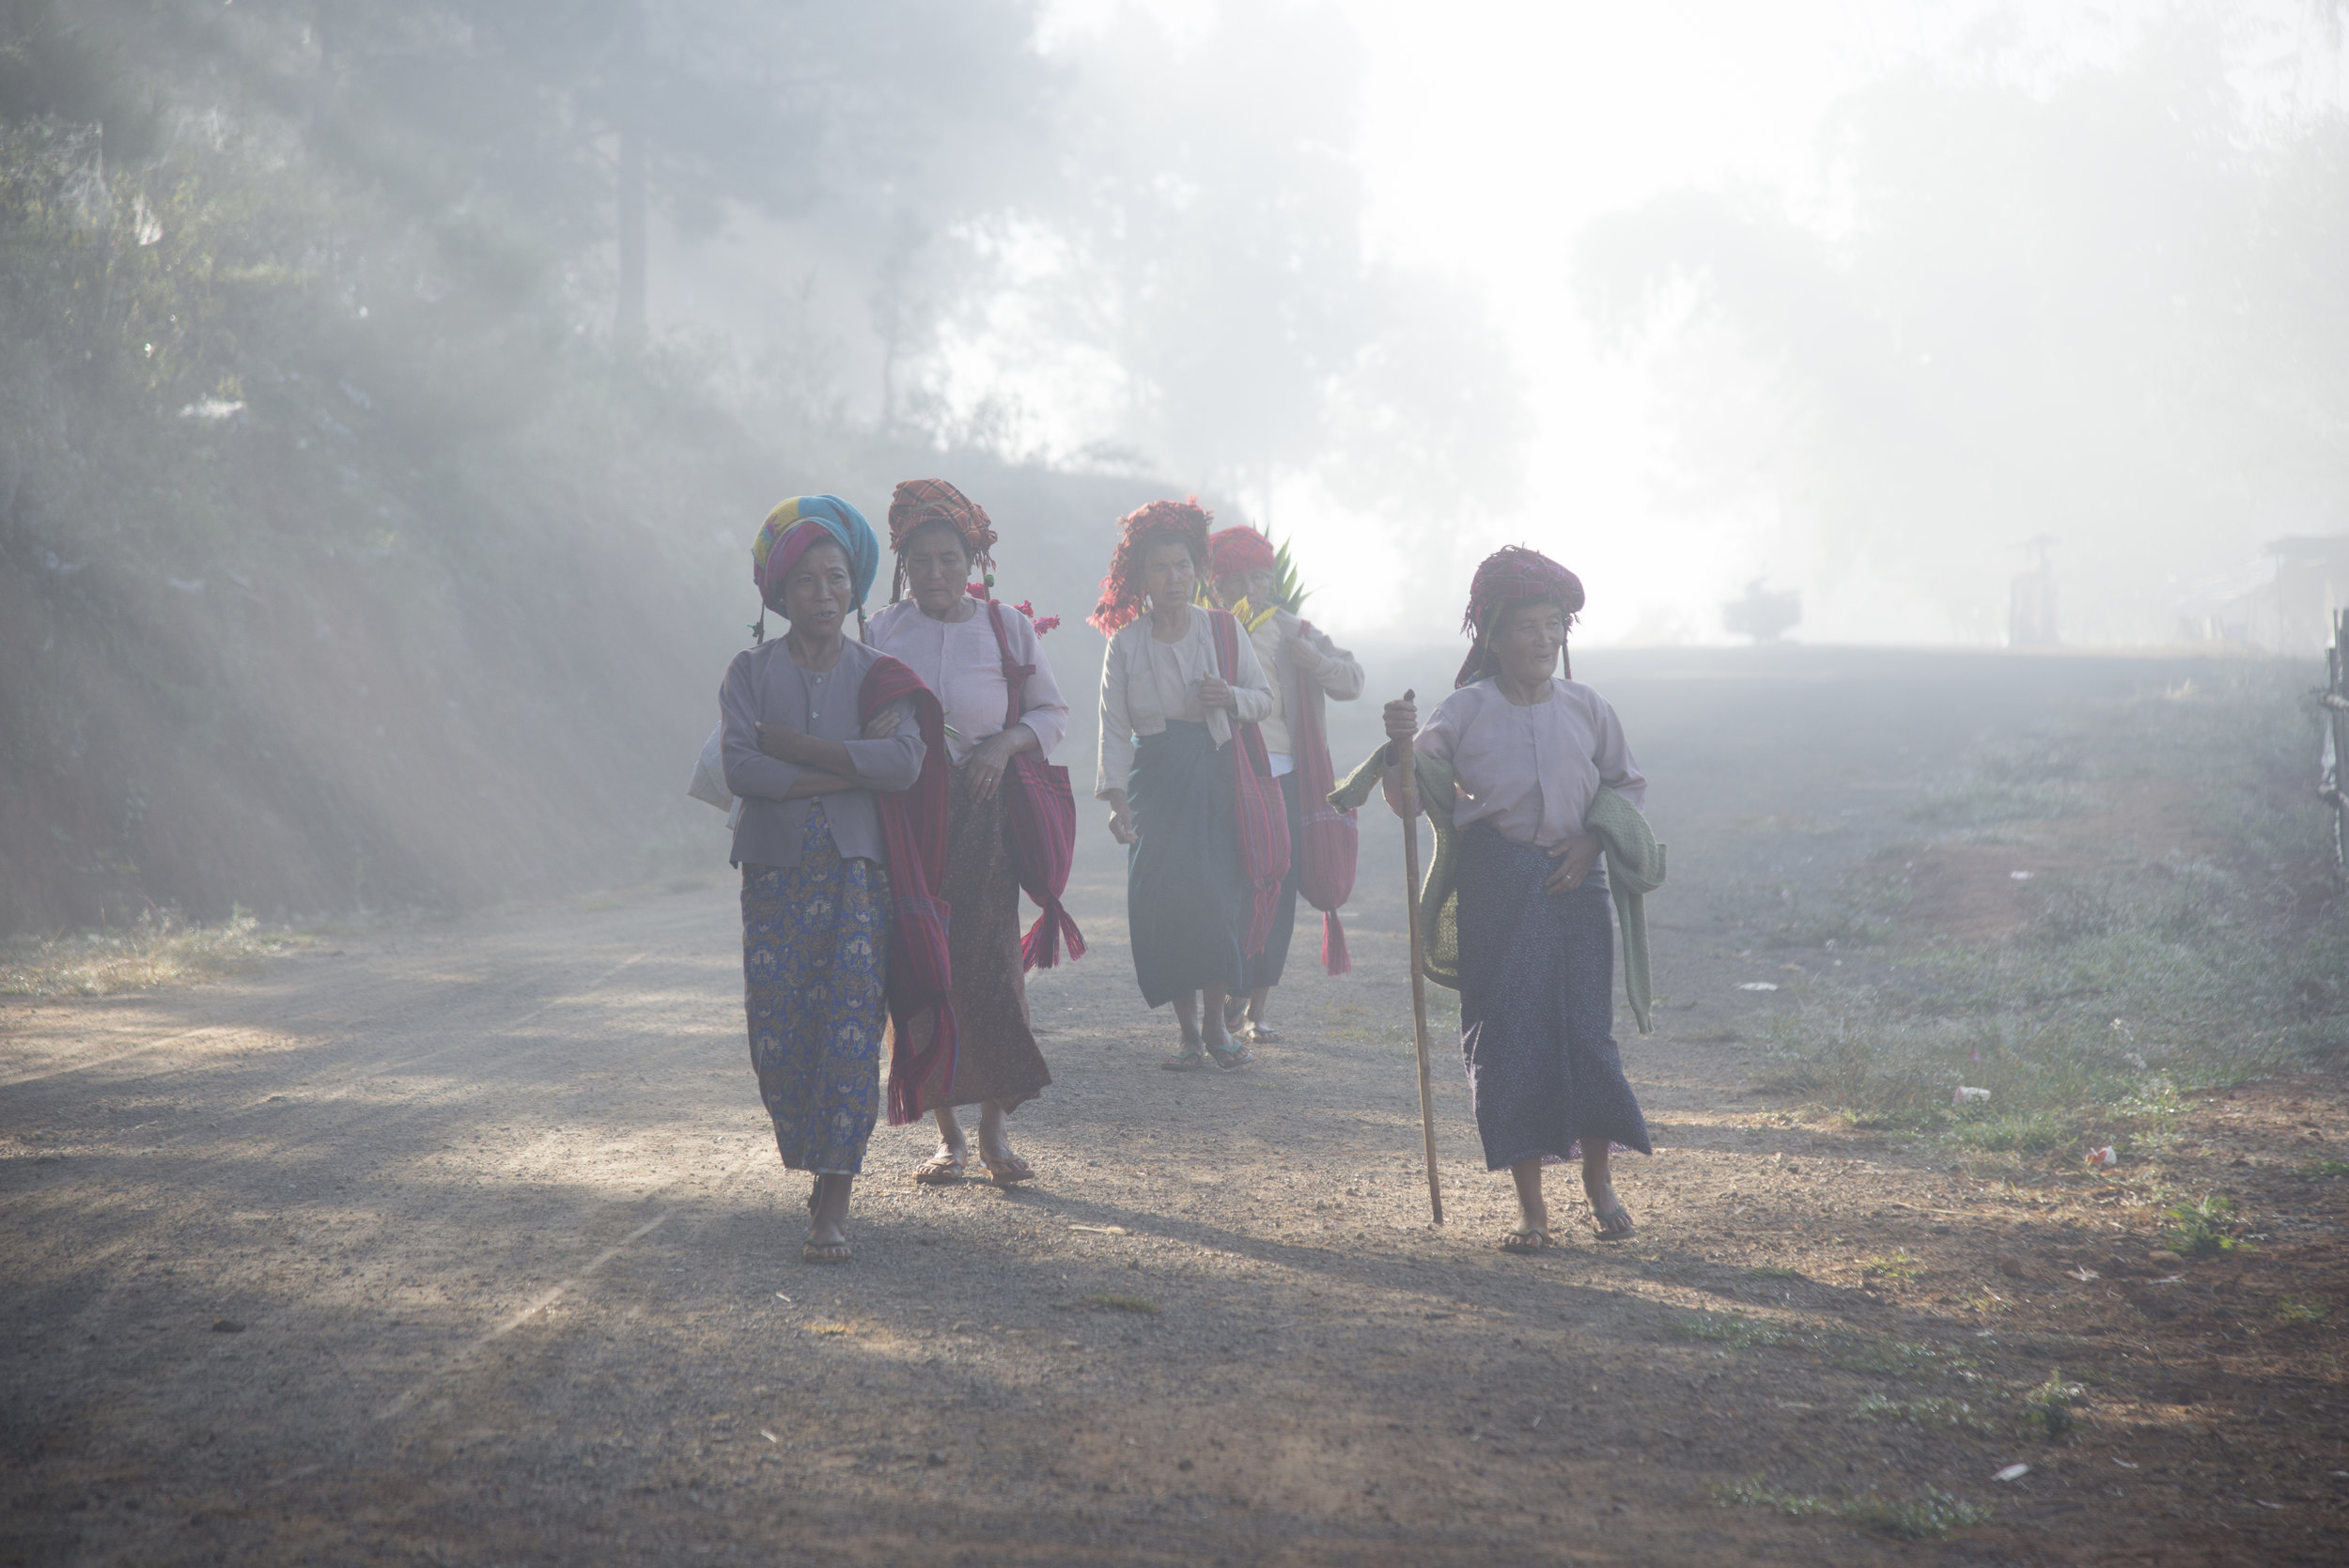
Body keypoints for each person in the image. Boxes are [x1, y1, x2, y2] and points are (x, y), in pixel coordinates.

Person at [1378, 546, 1652, 1249]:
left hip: (1577, 883)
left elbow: (1624, 786)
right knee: (1508, 1039)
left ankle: (1600, 1182)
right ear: (1492, 637)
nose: (1543, 638)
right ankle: (1532, 1210)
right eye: (1526, 625)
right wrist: (1399, 752)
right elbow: (1413, 797)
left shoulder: (1589, 706)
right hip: (1498, 887)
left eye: (1553, 624)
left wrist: (1591, 844)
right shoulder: (1463, 711)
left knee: (1586, 1035)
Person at [721, 495, 948, 1265]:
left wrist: (799, 753)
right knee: (780, 1038)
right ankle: (815, 1163)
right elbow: (740, 766)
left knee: (851, 1034)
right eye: (807, 582)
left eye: (837, 578)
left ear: (855, 587)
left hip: (859, 877)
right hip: (776, 877)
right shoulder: (748, 673)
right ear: (780, 596)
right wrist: (845, 767)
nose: (824, 594)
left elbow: (907, 763)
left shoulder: (883, 676)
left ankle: (836, 1198)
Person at [867, 478, 1070, 1186]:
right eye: (920, 560)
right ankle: (947, 1137)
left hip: (985, 826)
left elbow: (1050, 713)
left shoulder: (1005, 631)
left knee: (987, 969)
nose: (934, 574)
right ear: (902, 565)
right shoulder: (881, 631)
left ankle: (993, 1129)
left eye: (949, 558)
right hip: (905, 823)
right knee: (919, 971)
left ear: (974, 559)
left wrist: (1003, 744)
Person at [1091, 499, 1279, 1070]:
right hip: (1155, 783)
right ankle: (1189, 1036)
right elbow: (1115, 730)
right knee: (1164, 905)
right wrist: (1117, 800)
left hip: (1214, 774)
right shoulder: (1124, 645)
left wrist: (1230, 698)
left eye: (1182, 566)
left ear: (1197, 570)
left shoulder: (1221, 631)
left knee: (1216, 901)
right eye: (1159, 569)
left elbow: (1263, 698)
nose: (1173, 579)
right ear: (1140, 579)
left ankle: (1220, 1029)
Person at [1201, 525, 1364, 1043]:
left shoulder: (1297, 630)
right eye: (1236, 579)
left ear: (1271, 580)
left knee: (1280, 889)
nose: (1249, 588)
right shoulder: (1204, 629)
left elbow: (1352, 680)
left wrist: (1312, 661)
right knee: (1230, 886)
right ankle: (1227, 991)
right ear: (1217, 585)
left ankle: (1257, 1009)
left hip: (1287, 776)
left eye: (1259, 577)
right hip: (1225, 774)